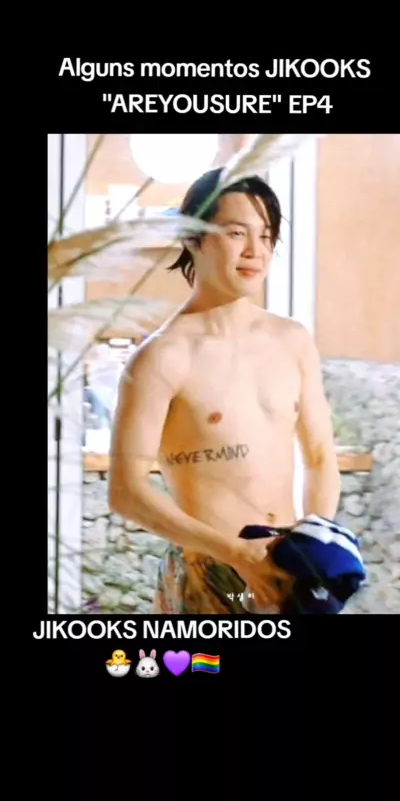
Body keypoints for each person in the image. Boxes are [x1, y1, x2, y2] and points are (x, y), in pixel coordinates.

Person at [108, 167, 341, 613]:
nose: (255, 250)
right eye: (236, 233)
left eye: (266, 236)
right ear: (193, 237)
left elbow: (319, 458)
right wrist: (237, 554)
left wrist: (316, 542)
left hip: (286, 570)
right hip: (209, 575)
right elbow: (126, 491)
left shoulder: (292, 341)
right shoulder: (162, 357)